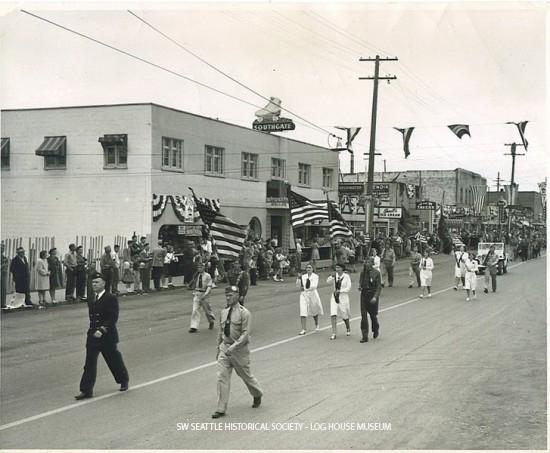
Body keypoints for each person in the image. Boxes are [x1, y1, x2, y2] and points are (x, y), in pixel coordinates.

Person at [75, 272, 129, 400]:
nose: (94, 285)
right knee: (89, 364)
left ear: (103, 283)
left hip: (107, 336)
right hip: (93, 335)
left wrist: (103, 329)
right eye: (93, 282)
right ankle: (86, 390)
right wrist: (94, 331)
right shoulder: (91, 298)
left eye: (97, 282)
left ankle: (123, 380)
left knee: (113, 359)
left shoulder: (110, 298)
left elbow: (113, 317)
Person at [212, 285, 263, 419]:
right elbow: (220, 331)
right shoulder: (224, 312)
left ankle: (257, 394)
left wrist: (234, 347)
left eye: (230, 295)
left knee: (246, 376)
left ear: (238, 296)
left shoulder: (244, 313)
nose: (228, 298)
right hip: (225, 348)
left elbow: (246, 334)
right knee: (222, 377)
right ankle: (221, 408)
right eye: (226, 295)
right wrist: (218, 348)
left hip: (239, 351)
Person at [358, 257, 382, 342]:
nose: (366, 263)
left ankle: (375, 328)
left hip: (372, 295)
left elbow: (379, 287)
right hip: (364, 294)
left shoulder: (377, 273)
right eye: (365, 262)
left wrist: (375, 297)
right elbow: (360, 282)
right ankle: (364, 335)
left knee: (373, 315)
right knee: (363, 315)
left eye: (368, 262)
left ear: (372, 263)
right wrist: (360, 286)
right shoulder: (363, 272)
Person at [296, 263, 324, 334]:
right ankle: (303, 329)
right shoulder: (303, 276)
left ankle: (316, 324)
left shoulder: (315, 276)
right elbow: (298, 285)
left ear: (312, 269)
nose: (308, 269)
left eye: (310, 267)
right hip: (304, 295)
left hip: (312, 295)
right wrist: (299, 279)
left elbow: (314, 286)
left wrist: (304, 288)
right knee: (303, 310)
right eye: (307, 268)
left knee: (314, 310)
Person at [326, 263, 352, 340]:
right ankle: (334, 333)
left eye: (338, 267)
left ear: (342, 268)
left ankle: (348, 327)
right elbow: (328, 282)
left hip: (343, 297)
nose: (337, 269)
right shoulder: (334, 276)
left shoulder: (346, 276)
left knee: (344, 314)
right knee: (333, 314)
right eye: (336, 267)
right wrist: (331, 276)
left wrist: (340, 291)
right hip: (334, 297)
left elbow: (348, 287)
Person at [188, 262, 215, 333]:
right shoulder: (196, 275)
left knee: (207, 311)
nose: (199, 269)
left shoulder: (207, 276)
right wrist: (193, 290)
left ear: (204, 268)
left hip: (204, 294)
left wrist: (205, 295)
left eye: (201, 267)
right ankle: (194, 326)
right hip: (197, 293)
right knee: (195, 310)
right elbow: (194, 284)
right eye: (198, 267)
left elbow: (209, 287)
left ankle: (211, 321)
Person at [1, 243, 9, 309]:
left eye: (3, 249)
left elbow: (5, 267)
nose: (2, 250)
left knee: (3, 290)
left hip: (2, 275)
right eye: (1, 248)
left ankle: (2, 303)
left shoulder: (4, 258)